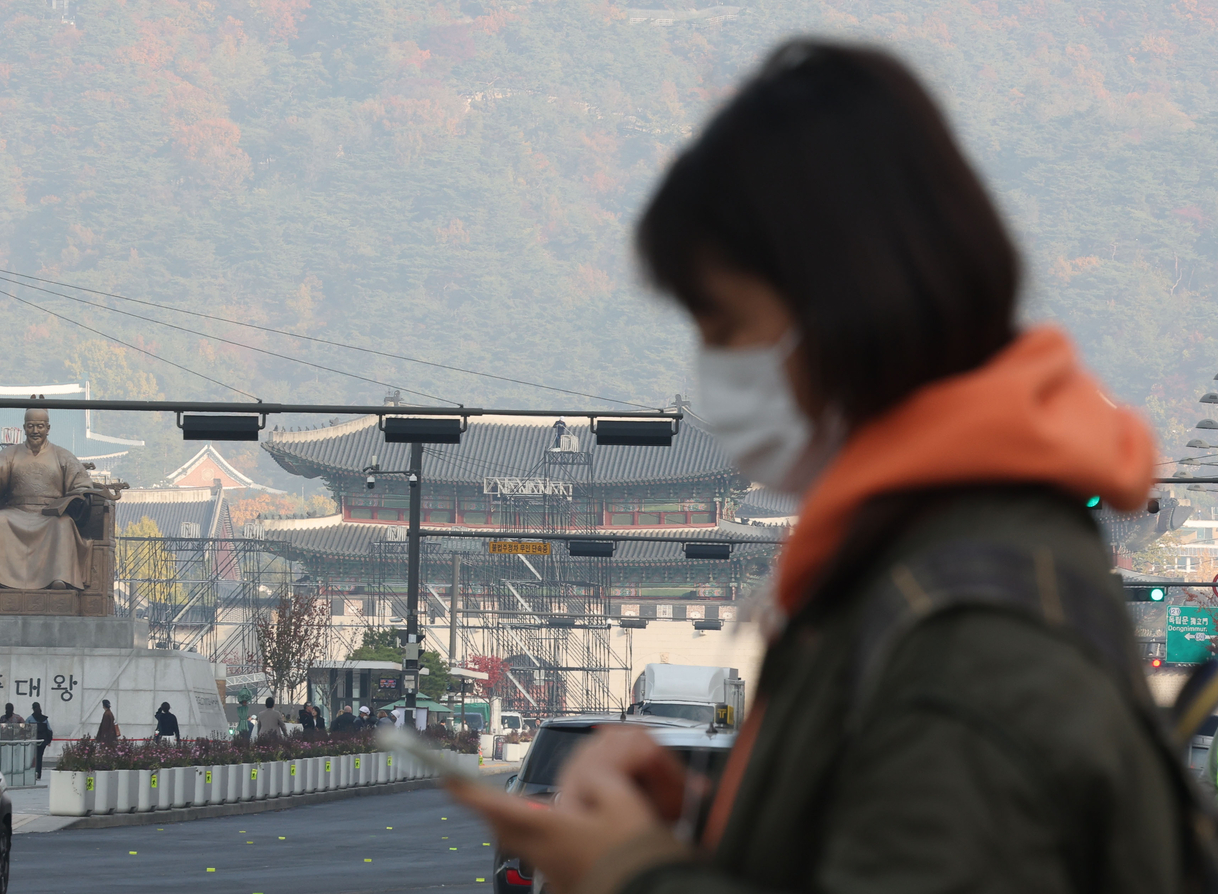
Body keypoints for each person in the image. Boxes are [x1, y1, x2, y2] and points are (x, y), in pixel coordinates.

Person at [450, 41, 1193, 894]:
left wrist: (633, 872)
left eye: (726, 324)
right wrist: (710, 820)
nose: (714, 367)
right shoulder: (930, 566)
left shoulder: (967, 629)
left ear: (847, 302)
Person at [0, 408, 102, 590]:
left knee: (63, 525)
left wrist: (75, 497)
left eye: (40, 426)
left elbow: (82, 483)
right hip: (16, 511)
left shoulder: (62, 455)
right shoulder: (11, 453)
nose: (35, 431)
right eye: (31, 426)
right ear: (24, 428)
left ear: (48, 428)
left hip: (50, 514)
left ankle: (59, 578)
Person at [30, 702, 52, 781]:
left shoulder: (30, 719)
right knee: (39, 757)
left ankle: (32, 773)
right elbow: (49, 730)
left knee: (32, 757)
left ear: (32, 708)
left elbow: (25, 729)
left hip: (33, 741)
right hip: (43, 741)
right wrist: (49, 741)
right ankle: (38, 774)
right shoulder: (44, 719)